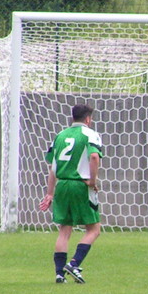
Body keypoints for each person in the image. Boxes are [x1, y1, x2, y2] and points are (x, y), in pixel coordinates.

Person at [38, 104, 103, 284]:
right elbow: (94, 157)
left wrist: (50, 193)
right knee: (94, 229)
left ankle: (59, 274)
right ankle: (74, 264)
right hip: (79, 184)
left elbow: (52, 167)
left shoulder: (60, 136)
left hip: (62, 184)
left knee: (64, 230)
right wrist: (92, 181)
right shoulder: (90, 134)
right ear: (88, 119)